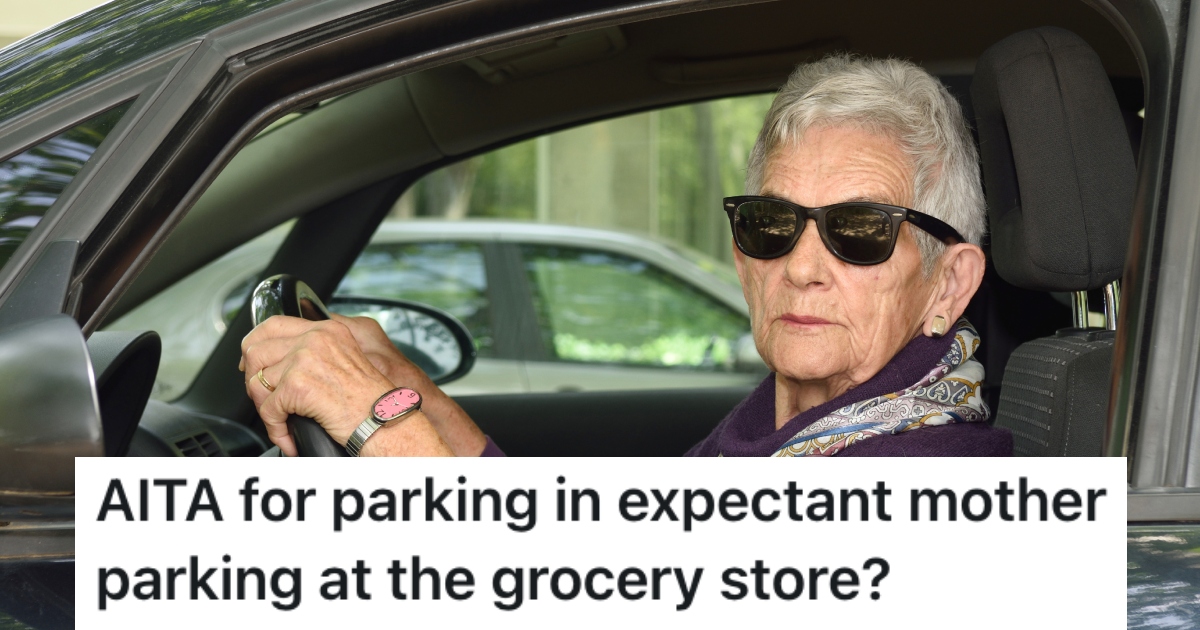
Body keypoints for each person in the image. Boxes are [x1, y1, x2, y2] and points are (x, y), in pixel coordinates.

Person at [239, 54, 1012, 457]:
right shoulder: (788, 428)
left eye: (858, 231)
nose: (802, 265)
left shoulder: (928, 476)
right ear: (743, 254)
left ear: (950, 282)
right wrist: (413, 393)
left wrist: (375, 423)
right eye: (773, 223)